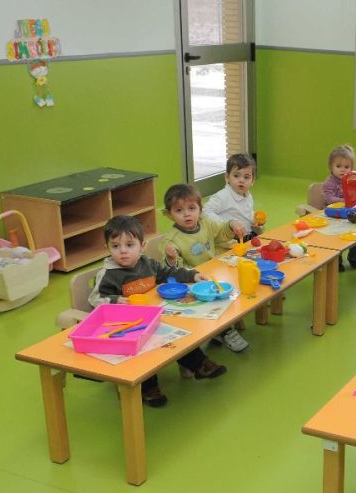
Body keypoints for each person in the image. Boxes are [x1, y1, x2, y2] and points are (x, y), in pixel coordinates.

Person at [89, 215, 227, 407]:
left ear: (142, 246)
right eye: (115, 246)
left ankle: (198, 365)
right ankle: (148, 387)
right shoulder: (108, 274)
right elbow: (95, 299)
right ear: (107, 247)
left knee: (180, 334)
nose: (122, 251)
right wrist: (116, 300)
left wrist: (193, 275)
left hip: (155, 316)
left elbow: (169, 273)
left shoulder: (147, 263)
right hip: (129, 326)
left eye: (129, 245)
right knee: (143, 351)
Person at [160, 183, 249, 353]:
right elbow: (171, 270)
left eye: (192, 208)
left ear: (200, 209)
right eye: (179, 210)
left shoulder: (206, 222)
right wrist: (171, 258)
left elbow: (222, 232)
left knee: (234, 288)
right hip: (190, 281)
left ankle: (223, 326)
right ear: (169, 214)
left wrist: (231, 225)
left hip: (212, 274)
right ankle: (225, 330)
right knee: (218, 299)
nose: (187, 214)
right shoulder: (171, 239)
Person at [322, 144, 356, 270]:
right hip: (333, 216)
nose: (342, 170)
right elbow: (328, 199)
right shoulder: (329, 183)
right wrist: (345, 201)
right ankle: (337, 259)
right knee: (335, 237)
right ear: (331, 167)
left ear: (352, 168)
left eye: (346, 167)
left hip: (350, 216)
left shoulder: (353, 181)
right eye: (338, 166)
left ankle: (354, 257)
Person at [203, 153, 261, 242]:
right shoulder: (223, 196)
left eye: (246, 177)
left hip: (247, 235)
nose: (241, 180)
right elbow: (206, 211)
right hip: (231, 239)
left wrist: (255, 219)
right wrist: (228, 224)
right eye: (236, 176)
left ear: (252, 180)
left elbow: (247, 213)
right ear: (227, 177)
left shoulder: (248, 195)